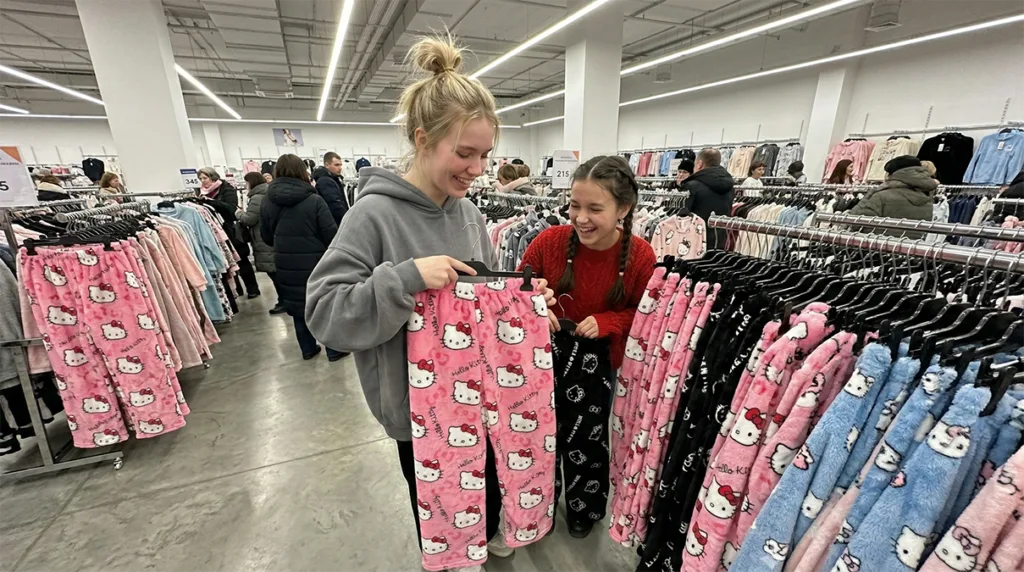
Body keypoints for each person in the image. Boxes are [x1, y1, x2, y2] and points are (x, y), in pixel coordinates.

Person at [304, 34, 555, 572]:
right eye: (464, 153)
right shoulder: (372, 216)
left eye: (485, 155)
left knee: (485, 496)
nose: (477, 168)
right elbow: (325, 313)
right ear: (423, 139)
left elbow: (486, 296)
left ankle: (489, 535)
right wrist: (404, 280)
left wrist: (526, 308)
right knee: (442, 523)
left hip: (483, 399)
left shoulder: (468, 214)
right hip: (416, 415)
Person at [519, 155, 655, 539]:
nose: (581, 218)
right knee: (539, 435)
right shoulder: (549, 241)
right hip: (542, 358)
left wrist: (609, 321)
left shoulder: (642, 256)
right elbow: (517, 289)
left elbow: (647, 313)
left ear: (623, 209)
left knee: (589, 437)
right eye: (575, 205)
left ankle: (584, 507)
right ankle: (539, 506)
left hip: (601, 363)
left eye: (595, 208)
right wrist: (536, 304)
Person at [260, 154, 346, 360]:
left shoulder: (267, 201)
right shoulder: (314, 200)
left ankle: (308, 349)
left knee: (298, 306)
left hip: (285, 261)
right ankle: (333, 350)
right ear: (302, 171)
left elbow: (265, 236)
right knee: (322, 304)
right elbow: (331, 235)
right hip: (315, 261)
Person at [198, 167, 261, 299]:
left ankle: (252, 289)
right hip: (216, 230)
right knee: (228, 261)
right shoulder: (202, 193)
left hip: (232, 229)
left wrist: (212, 203)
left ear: (213, 177)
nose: (203, 181)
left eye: (205, 178)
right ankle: (237, 290)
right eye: (200, 179)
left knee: (242, 259)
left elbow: (231, 208)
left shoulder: (227, 189)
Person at [849, 155, 937, 236]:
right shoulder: (927, 196)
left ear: (891, 174)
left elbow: (858, 225)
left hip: (878, 248)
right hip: (913, 249)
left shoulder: (881, 196)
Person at [238, 172, 285, 315]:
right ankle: (284, 300)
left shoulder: (257, 197)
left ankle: (284, 301)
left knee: (274, 272)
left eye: (246, 183)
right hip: (271, 236)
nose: (245, 186)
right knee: (277, 272)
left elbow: (250, 219)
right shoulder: (268, 193)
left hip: (263, 239)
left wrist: (238, 213)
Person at [683, 148, 735, 250]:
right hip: (720, 241)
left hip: (693, 242)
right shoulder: (730, 186)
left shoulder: (692, 186)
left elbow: (682, 217)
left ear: (699, 164)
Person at [311, 152, 349, 225]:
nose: (340, 168)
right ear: (327, 165)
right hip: (334, 222)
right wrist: (347, 220)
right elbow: (334, 205)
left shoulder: (332, 179)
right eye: (336, 165)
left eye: (340, 165)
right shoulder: (325, 181)